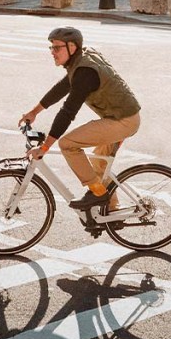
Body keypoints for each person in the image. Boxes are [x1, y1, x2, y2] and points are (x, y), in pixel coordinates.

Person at [21, 27, 141, 212]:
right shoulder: (80, 62)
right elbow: (62, 88)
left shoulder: (85, 72)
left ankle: (98, 194)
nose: (53, 52)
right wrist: (34, 112)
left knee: (68, 144)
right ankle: (112, 211)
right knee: (99, 164)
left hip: (123, 121)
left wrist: (44, 148)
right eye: (51, 47)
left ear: (72, 47)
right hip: (120, 116)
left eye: (57, 48)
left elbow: (67, 112)